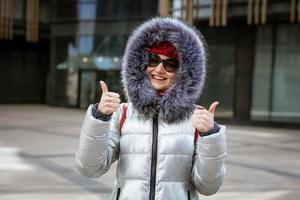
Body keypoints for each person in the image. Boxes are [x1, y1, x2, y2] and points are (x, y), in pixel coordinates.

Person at [75, 17, 227, 200]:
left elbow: (208, 187)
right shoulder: (122, 114)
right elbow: (90, 168)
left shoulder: (197, 119)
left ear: (183, 73)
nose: (159, 69)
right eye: (153, 59)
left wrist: (210, 136)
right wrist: (99, 118)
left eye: (170, 64)